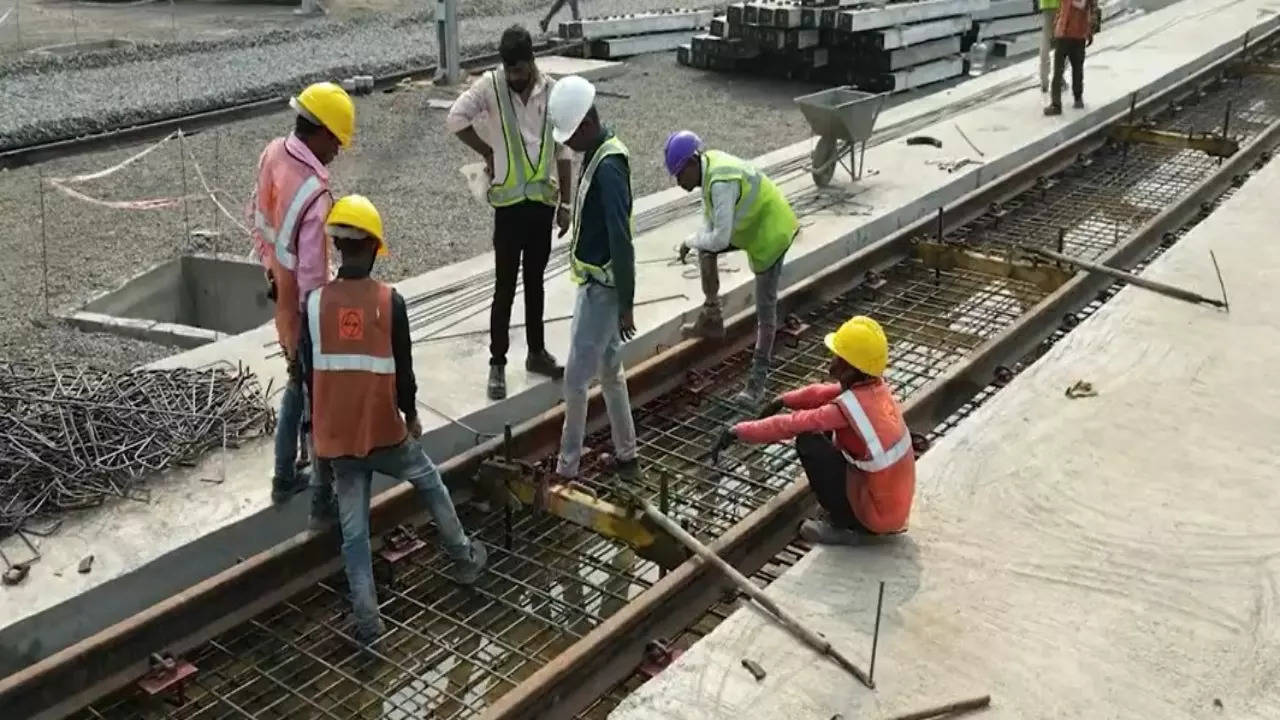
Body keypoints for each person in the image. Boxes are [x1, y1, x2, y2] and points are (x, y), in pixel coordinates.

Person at [300, 195, 487, 647]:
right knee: (430, 483)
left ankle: (368, 624)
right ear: (373, 248)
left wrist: (318, 441)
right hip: (384, 432)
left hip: (339, 440)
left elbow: (309, 376)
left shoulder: (313, 305)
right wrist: (412, 414)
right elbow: (404, 372)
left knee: (355, 536)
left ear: (340, 248)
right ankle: (463, 559)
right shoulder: (390, 302)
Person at [447, 25, 572, 400]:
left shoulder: (552, 91)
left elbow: (563, 149)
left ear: (533, 61)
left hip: (540, 207)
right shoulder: (490, 88)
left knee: (536, 284)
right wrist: (485, 150)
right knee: (504, 288)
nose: (516, 79)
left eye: (521, 71)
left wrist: (566, 203)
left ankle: (536, 352)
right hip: (508, 210)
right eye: (511, 71)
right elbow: (455, 119)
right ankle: (497, 363)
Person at [710, 316, 915, 545]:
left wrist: (738, 431)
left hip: (876, 516)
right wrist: (784, 400)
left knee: (810, 441)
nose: (833, 359)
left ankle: (845, 525)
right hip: (891, 505)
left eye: (838, 356)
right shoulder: (874, 389)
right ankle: (851, 512)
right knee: (826, 434)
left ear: (849, 368)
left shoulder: (845, 410)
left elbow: (791, 424)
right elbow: (823, 393)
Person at [249, 81, 353, 512]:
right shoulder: (316, 193)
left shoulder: (272, 152)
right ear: (323, 132)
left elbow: (258, 220)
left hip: (279, 289)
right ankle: (314, 492)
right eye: (337, 143)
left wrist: (272, 271)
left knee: (296, 380)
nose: (337, 152)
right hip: (304, 302)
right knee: (311, 389)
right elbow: (313, 274)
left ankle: (286, 474)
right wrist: (325, 318)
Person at [545, 75, 640, 483]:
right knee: (611, 372)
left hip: (603, 291)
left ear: (586, 124)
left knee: (576, 379)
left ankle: (567, 468)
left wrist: (626, 302)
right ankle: (626, 452)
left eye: (571, 137)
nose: (569, 146)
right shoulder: (599, 153)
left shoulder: (608, 168)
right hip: (598, 285)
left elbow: (622, 237)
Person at [666, 130, 798, 407]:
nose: (678, 183)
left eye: (679, 175)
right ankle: (712, 317)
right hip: (752, 229)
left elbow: (720, 239)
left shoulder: (721, 181)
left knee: (766, 312)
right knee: (704, 247)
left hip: (771, 235)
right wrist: (696, 241)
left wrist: (689, 241)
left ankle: (756, 386)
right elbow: (710, 226)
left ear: (692, 162)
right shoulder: (709, 169)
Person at [1045, 0, 1099, 115]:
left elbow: (1064, 10)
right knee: (1077, 68)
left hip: (1065, 33)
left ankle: (1056, 104)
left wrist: (1056, 29)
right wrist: (1089, 31)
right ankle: (1078, 98)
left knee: (1058, 70)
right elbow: (1092, 10)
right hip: (1078, 33)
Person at [1037, 0, 1060, 94]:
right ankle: (1059, 78)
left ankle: (1044, 81)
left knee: (1045, 42)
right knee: (1062, 42)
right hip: (1061, 5)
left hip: (1046, 5)